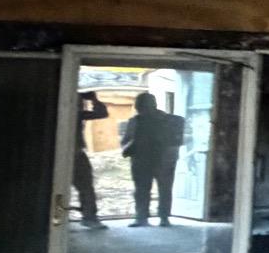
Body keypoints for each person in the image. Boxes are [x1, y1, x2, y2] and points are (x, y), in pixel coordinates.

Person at [120, 92, 186, 228]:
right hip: (144, 161)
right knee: (143, 190)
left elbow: (176, 141)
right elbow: (126, 142)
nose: (140, 109)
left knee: (162, 190)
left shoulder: (171, 121)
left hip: (161, 160)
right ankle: (145, 217)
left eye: (141, 106)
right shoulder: (136, 121)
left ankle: (161, 217)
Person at [73, 90, 108, 230]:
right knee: (86, 186)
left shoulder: (77, 114)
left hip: (76, 153)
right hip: (75, 153)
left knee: (86, 186)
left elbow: (102, 113)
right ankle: (89, 217)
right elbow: (101, 113)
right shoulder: (76, 114)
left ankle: (89, 217)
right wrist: (93, 99)